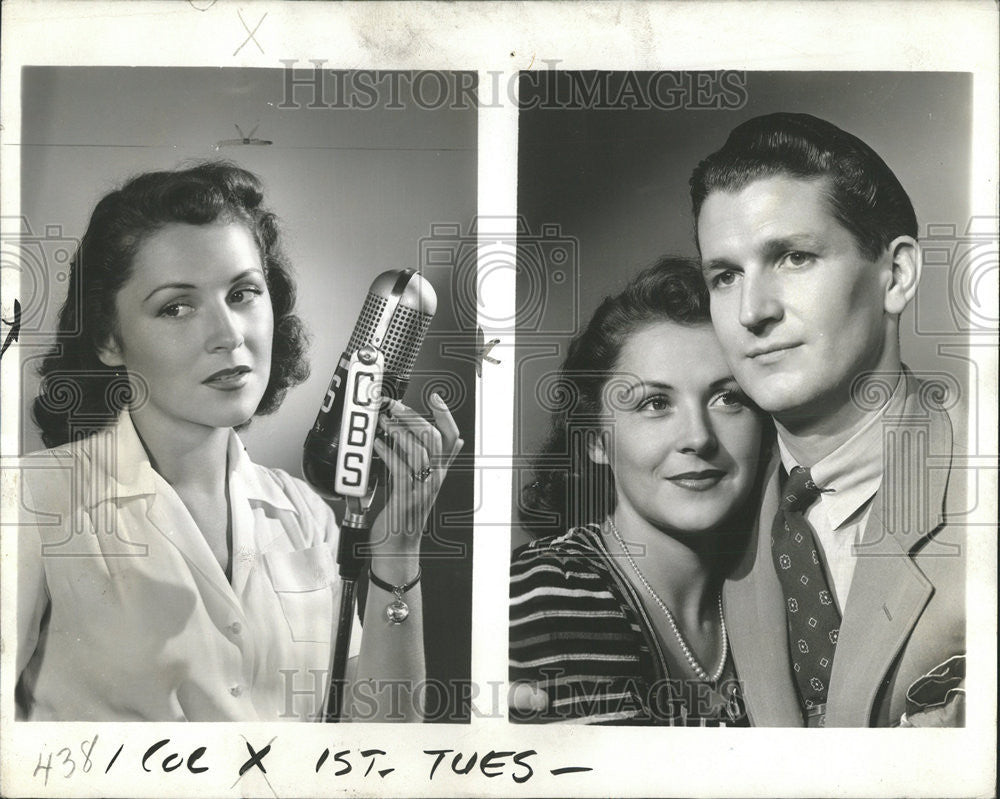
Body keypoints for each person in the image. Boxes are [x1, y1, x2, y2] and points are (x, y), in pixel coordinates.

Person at [16, 161, 463, 722]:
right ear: (109, 337)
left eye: (244, 293)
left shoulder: (308, 516)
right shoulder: (30, 502)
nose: (229, 336)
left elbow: (378, 750)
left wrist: (397, 547)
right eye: (176, 307)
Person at [690, 112, 966, 727]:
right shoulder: (710, 511)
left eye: (792, 257)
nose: (752, 312)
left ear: (895, 275)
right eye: (725, 275)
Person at [509, 257, 768, 725]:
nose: (698, 437)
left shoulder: (777, 592)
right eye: (655, 403)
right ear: (595, 440)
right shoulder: (553, 586)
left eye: (729, 398)